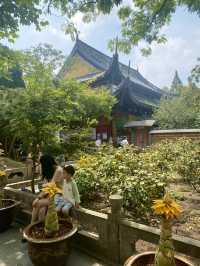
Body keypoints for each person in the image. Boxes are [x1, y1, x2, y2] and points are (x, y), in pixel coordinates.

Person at [31, 154, 63, 224]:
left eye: (42, 164)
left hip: (59, 197)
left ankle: (31, 225)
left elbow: (50, 186)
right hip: (50, 195)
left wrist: (38, 198)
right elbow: (45, 188)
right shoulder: (49, 172)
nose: (41, 166)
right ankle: (39, 228)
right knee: (41, 211)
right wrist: (40, 196)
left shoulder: (59, 170)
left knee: (37, 204)